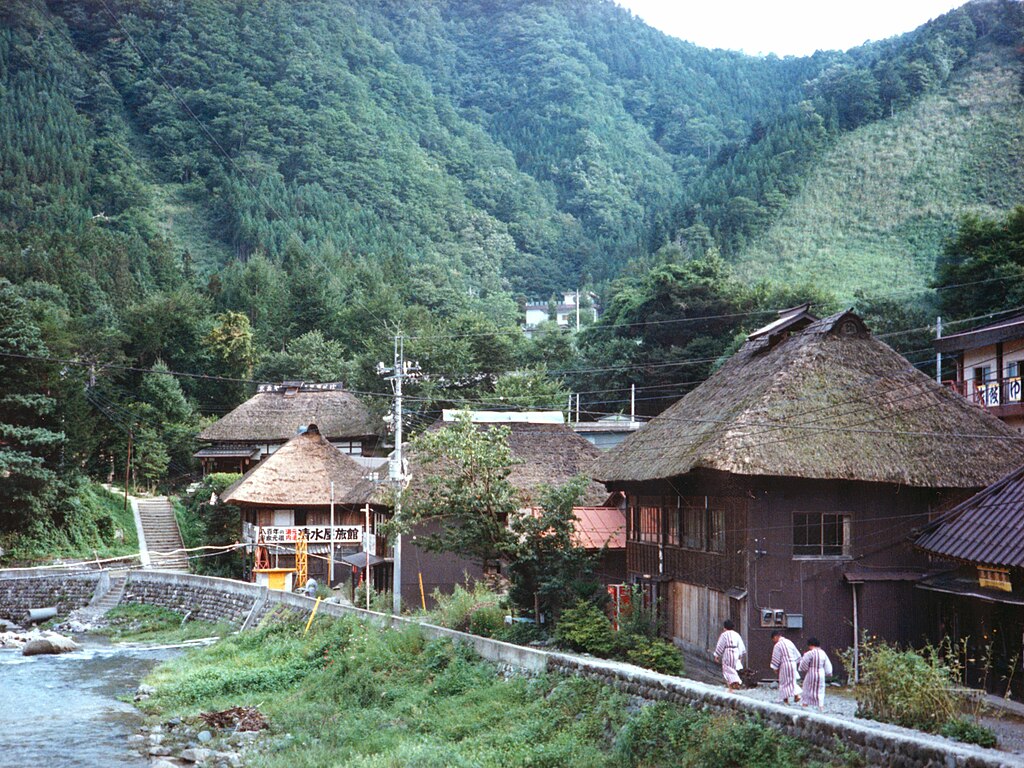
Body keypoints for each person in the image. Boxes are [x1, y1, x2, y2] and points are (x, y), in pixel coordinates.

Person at [798, 637, 833, 710]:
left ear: (810, 645)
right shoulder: (823, 653)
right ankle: (821, 706)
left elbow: (803, 664)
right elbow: (827, 664)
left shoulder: (809, 653)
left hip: (811, 672)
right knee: (820, 689)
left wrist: (803, 669)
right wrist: (829, 672)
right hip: (821, 673)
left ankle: (805, 704)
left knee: (807, 688)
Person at [769, 630, 802, 705]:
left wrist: (775, 667)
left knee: (784, 682)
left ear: (775, 637)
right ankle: (797, 695)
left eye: (773, 639)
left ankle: (786, 700)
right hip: (793, 663)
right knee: (792, 681)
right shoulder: (789, 642)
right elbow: (797, 654)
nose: (774, 641)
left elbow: (776, 658)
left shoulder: (778, 645)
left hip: (785, 664)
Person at [713, 619, 746, 690]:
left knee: (727, 668)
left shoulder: (724, 635)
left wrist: (717, 655)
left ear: (725, 627)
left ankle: (734, 683)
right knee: (733, 668)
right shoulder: (737, 634)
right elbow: (741, 645)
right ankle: (735, 683)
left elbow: (720, 645)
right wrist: (740, 655)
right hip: (736, 652)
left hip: (728, 651)